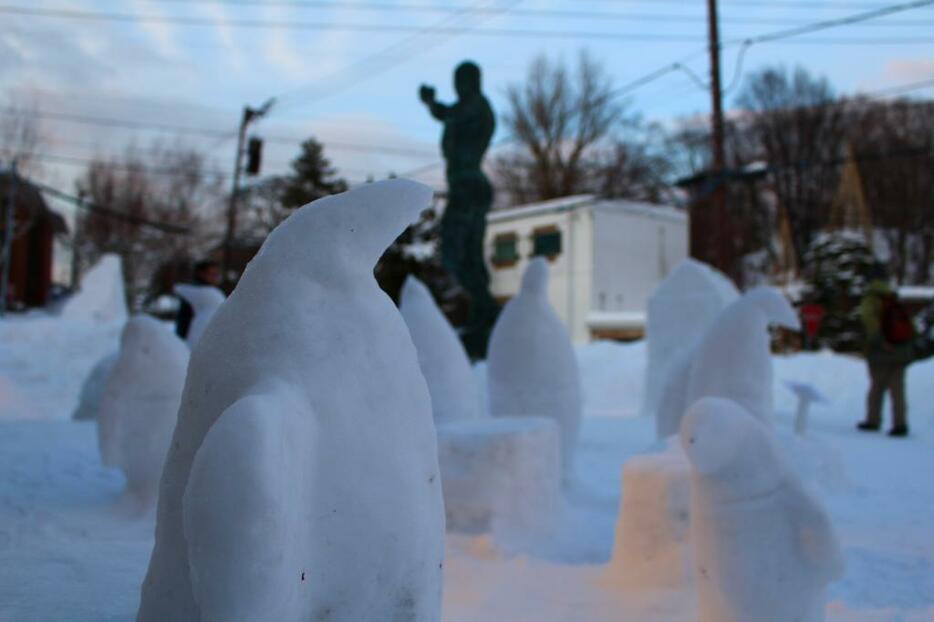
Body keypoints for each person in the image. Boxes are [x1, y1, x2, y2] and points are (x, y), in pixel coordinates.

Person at [418, 61, 499, 359]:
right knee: (467, 257)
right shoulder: (470, 107)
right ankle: (483, 311)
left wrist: (433, 105)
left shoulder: (476, 105)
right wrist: (431, 105)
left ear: (472, 81)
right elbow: (446, 114)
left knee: (456, 252)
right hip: (468, 187)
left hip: (469, 187)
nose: (457, 87)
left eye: (460, 80)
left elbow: (450, 113)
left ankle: (486, 310)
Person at [857, 265, 915, 437]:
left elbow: (870, 323)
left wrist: (878, 343)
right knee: (898, 391)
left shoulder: (871, 298)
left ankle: (873, 420)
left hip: (881, 353)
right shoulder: (892, 296)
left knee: (877, 388)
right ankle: (900, 424)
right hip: (901, 352)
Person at [175, 260, 221, 340]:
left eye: (216, 274)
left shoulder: (212, 291)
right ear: (201, 273)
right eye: (211, 274)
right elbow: (183, 320)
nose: (215, 277)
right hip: (196, 338)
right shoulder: (195, 292)